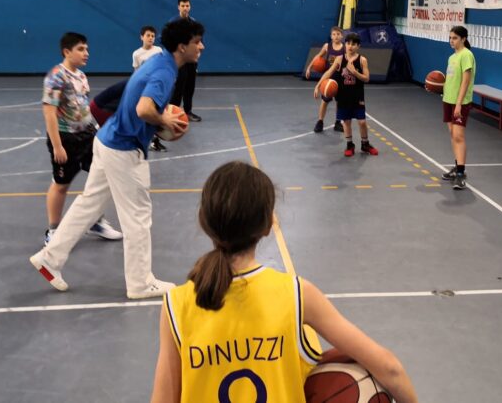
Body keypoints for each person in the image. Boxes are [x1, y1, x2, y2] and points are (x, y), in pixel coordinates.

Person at [149, 161, 419, 403]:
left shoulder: (176, 304)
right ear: (268, 225)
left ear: (203, 221)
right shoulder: (297, 294)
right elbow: (390, 369)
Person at [30, 19, 203, 299]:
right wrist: (164, 120)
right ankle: (140, 283)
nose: (201, 46)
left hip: (105, 139)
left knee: (89, 203)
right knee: (138, 217)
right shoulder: (165, 72)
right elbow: (144, 108)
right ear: (182, 47)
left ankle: (49, 258)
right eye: (197, 42)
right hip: (123, 149)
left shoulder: (157, 60)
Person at [41, 32, 122, 245]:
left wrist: (97, 129)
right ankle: (53, 230)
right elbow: (49, 113)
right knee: (61, 185)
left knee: (101, 178)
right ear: (67, 52)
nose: (86, 53)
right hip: (66, 139)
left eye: (86, 49)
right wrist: (57, 146)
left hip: (88, 136)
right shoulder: (56, 77)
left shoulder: (81, 76)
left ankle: (95, 220)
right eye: (81, 49)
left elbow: (83, 107)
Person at [90, 25, 167, 152]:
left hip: (153, 87)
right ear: (141, 37)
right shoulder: (137, 54)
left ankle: (153, 141)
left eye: (153, 36)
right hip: (142, 87)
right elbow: (136, 72)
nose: (151, 38)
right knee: (139, 113)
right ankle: (100, 127)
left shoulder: (158, 50)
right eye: (148, 35)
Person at [314, 32, 378, 157]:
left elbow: (367, 78)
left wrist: (355, 72)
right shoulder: (339, 59)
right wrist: (318, 86)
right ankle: (350, 145)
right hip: (343, 96)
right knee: (346, 122)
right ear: (345, 45)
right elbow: (328, 72)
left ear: (358, 46)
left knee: (362, 122)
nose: (350, 46)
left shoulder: (362, 60)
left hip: (357, 96)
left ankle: (365, 144)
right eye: (348, 43)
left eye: (353, 44)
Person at [440, 25, 475, 190]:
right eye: (450, 38)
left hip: (459, 102)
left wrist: (459, 104)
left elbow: (465, 81)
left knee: (459, 136)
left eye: (455, 38)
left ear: (463, 39)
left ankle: (461, 174)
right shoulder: (451, 57)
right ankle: (457, 167)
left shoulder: (466, 55)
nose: (451, 41)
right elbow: (451, 80)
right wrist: (439, 89)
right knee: (453, 135)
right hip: (448, 100)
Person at [306, 26, 345, 133]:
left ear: (342, 36)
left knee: (340, 102)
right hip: (329, 77)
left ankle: (338, 122)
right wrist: (309, 67)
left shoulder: (345, 49)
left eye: (338, 34)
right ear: (331, 36)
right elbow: (318, 57)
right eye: (334, 34)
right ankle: (320, 121)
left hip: (340, 78)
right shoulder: (327, 46)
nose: (336, 36)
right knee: (325, 100)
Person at [169, 0, 201, 122]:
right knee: (179, 86)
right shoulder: (173, 23)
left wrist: (196, 55)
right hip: (179, 61)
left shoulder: (193, 23)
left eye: (187, 5)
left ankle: (188, 112)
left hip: (191, 61)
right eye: (183, 6)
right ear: (178, 7)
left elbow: (198, 41)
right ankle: (173, 112)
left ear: (190, 7)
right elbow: (164, 39)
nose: (185, 8)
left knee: (190, 86)